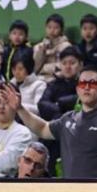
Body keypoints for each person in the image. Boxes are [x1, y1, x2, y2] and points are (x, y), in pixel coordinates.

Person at [3, 66, 97, 178]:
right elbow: (42, 128)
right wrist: (20, 108)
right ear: (77, 89)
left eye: (93, 83)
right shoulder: (68, 119)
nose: (87, 87)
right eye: (83, 83)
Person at [37, 45, 82, 174]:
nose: (68, 67)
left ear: (80, 65)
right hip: (54, 129)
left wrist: (60, 102)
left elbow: (80, 101)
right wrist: (60, 108)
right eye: (64, 63)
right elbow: (42, 104)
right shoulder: (53, 84)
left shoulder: (83, 85)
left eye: (72, 63)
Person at [34, 13, 72, 83]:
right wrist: (42, 52)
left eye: (56, 28)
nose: (52, 30)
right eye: (49, 27)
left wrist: (44, 68)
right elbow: (35, 69)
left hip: (58, 79)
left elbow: (63, 66)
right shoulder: (39, 46)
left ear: (61, 29)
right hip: (39, 79)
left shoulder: (66, 46)